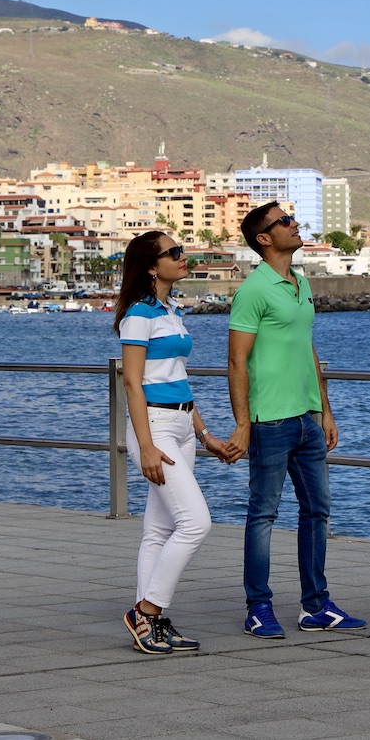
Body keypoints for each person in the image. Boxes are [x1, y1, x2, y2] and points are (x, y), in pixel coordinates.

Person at [225, 201, 366, 636]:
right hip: (269, 420)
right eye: (284, 221)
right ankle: (258, 607)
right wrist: (243, 423)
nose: (294, 223)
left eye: (292, 218)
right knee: (263, 514)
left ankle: (316, 606)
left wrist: (325, 409)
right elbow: (236, 360)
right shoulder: (253, 290)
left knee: (317, 511)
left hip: (306, 417)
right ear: (264, 239)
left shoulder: (300, 284)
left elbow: (307, 349)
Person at [115, 229, 235, 654]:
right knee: (196, 522)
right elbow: (132, 383)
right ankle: (144, 612)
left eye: (182, 250)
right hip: (156, 428)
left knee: (160, 528)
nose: (183, 257)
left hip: (182, 426)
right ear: (151, 266)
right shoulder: (139, 314)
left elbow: (179, 379)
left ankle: (154, 623)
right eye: (174, 253)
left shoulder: (171, 310)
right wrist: (146, 445)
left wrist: (204, 434)